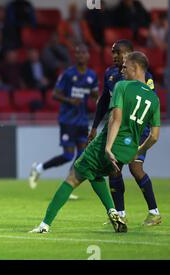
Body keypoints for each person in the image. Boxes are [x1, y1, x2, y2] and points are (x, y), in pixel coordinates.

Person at [30, 51, 160, 234]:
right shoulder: (154, 98)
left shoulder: (122, 86)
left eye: (125, 66)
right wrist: (138, 151)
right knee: (94, 174)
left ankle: (44, 225)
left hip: (107, 145)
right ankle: (113, 212)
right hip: (127, 151)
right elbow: (154, 136)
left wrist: (107, 147)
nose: (122, 70)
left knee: (73, 176)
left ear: (136, 67)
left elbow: (115, 119)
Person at [88, 40, 161, 226]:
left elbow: (148, 104)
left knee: (135, 169)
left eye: (118, 52)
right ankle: (120, 214)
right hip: (121, 130)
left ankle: (154, 213)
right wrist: (95, 126)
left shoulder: (144, 77)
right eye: (113, 52)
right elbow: (104, 101)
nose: (114, 56)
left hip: (139, 130)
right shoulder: (110, 75)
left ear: (129, 54)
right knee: (113, 169)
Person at [29, 44, 99, 192]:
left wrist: (98, 99)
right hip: (68, 119)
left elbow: (94, 94)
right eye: (77, 53)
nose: (80, 55)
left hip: (82, 120)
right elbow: (55, 94)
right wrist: (69, 100)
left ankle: (69, 184)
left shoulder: (92, 75)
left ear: (88, 56)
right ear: (75, 56)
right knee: (68, 155)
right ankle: (39, 168)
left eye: (83, 52)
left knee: (81, 156)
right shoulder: (68, 74)